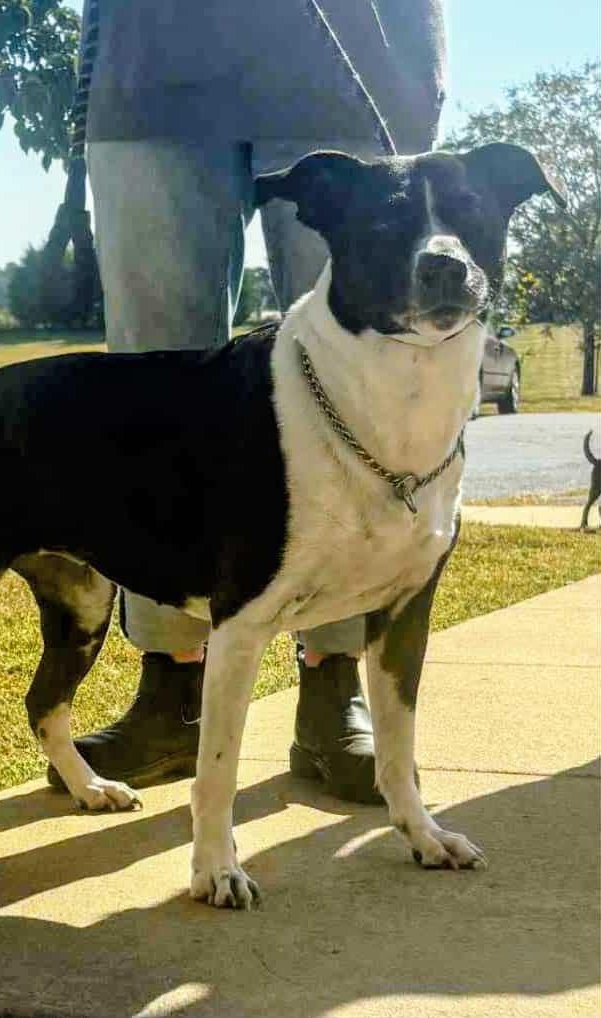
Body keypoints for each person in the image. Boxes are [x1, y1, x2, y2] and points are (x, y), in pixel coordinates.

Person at [51, 0, 446, 803]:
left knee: (364, 380)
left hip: (357, 48)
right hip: (154, 56)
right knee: (156, 385)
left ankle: (331, 684)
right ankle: (172, 685)